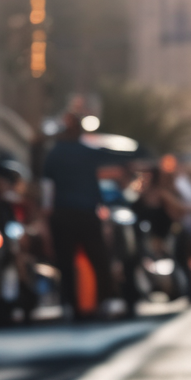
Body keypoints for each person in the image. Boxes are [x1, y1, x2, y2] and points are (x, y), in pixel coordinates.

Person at [41, 109, 133, 319]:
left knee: (66, 263)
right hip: (85, 214)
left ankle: (71, 307)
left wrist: (47, 213)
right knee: (99, 259)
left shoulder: (54, 154)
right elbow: (108, 162)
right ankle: (102, 302)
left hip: (63, 214)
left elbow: (47, 186)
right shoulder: (86, 152)